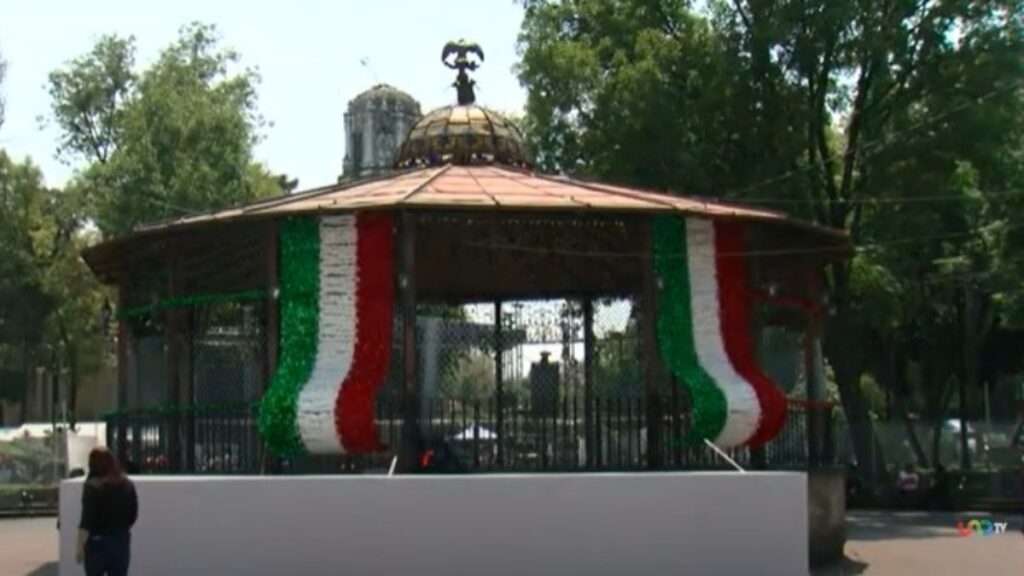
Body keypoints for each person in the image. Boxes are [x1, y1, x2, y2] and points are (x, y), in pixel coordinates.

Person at [77, 447, 139, 576]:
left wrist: (79, 546)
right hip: (121, 541)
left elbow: (87, 520)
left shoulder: (91, 487)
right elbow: (133, 515)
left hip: (96, 543)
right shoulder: (128, 484)